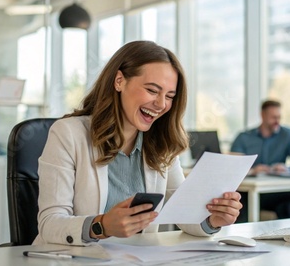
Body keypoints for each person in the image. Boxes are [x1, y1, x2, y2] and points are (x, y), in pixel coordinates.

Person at [33, 41, 242, 245]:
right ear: (119, 81)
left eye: (169, 96)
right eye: (152, 90)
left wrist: (213, 220)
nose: (161, 104)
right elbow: (49, 223)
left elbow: (184, 212)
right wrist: (102, 226)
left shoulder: (161, 144)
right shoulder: (68, 133)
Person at [230, 100, 290, 221]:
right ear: (262, 115)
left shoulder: (289, 135)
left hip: (276, 190)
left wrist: (286, 168)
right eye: (273, 117)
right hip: (248, 190)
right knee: (238, 200)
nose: (277, 121)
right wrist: (253, 170)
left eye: (279, 117)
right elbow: (232, 165)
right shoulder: (244, 137)